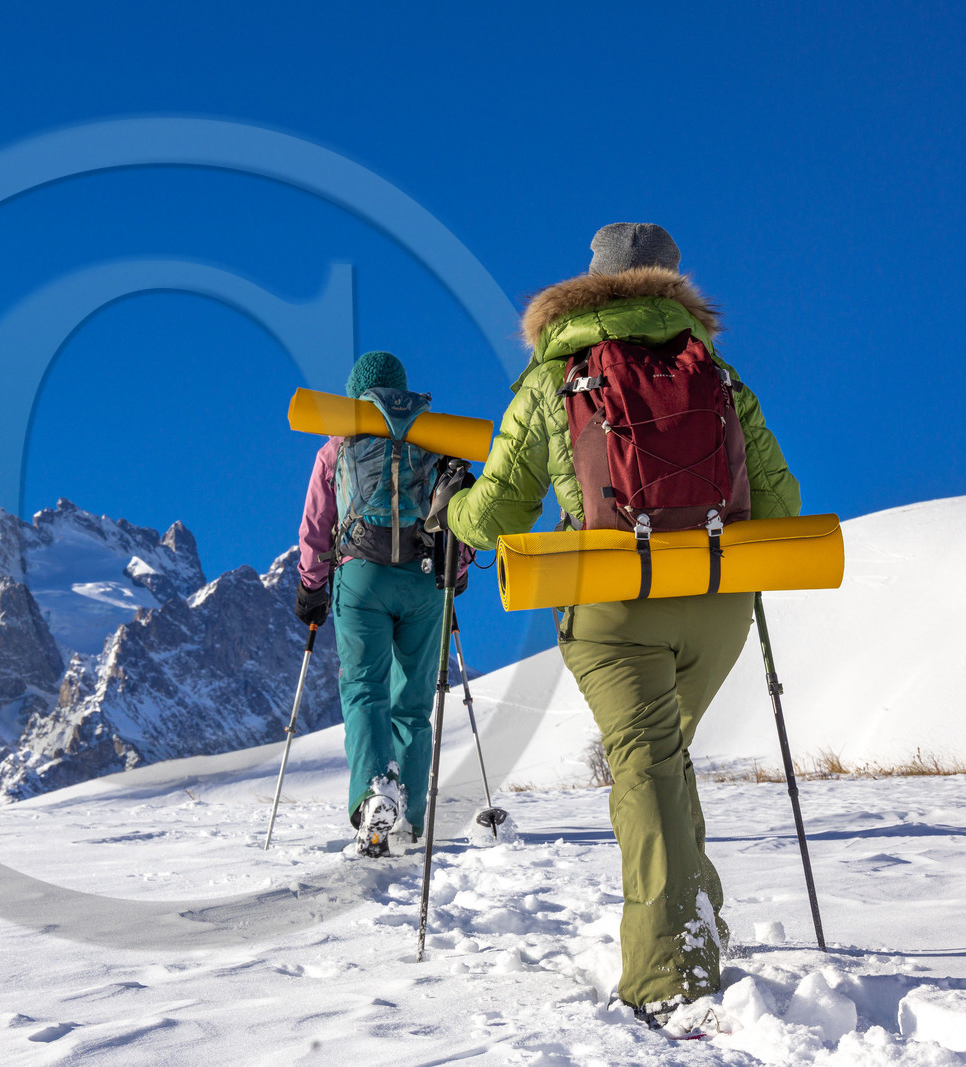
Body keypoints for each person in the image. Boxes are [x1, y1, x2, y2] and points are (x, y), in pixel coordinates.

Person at [443, 224, 800, 1026]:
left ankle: (670, 968)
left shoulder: (555, 377)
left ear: (592, 283)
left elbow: (497, 512)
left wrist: (454, 508)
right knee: (663, 758)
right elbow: (781, 505)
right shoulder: (721, 376)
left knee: (642, 765)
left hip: (613, 602)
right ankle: (695, 908)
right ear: (674, 287)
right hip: (716, 600)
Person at [294, 351, 469, 858]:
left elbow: (315, 524)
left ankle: (375, 793)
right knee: (413, 702)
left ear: (357, 393)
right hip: (422, 580)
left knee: (365, 689)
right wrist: (453, 579)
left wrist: (311, 587)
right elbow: (456, 511)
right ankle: (409, 818)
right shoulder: (436, 438)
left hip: (360, 576)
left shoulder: (340, 443)